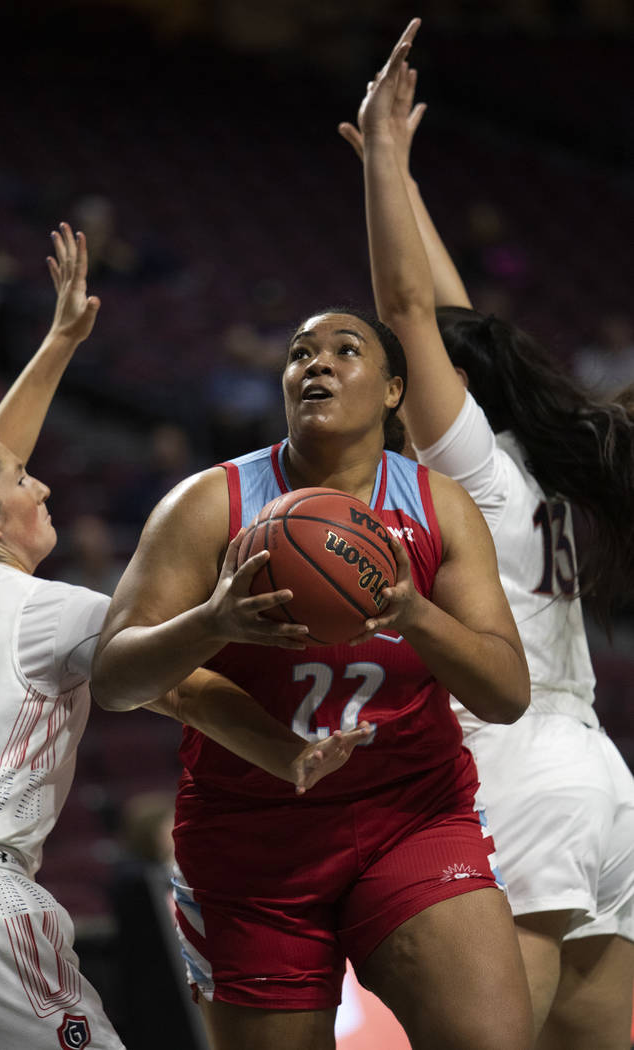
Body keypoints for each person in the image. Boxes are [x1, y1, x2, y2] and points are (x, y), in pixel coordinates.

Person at [90, 23, 534, 1050]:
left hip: (410, 815)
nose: (314, 363)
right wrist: (214, 618)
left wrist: (410, 612)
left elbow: (504, 694)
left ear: (390, 389)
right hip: (250, 844)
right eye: (298, 354)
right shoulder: (210, 503)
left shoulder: (434, 503)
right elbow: (115, 675)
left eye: (343, 349)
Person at [0, 224, 369, 1050]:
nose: (40, 482)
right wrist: (282, 748)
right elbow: (177, 684)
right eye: (21, 483)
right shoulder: (42, 610)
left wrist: (58, 343)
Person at [340, 19, 634, 1047]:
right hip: (592, 769)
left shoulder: (466, 470)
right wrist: (407, 182)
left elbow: (412, 308)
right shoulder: (530, 464)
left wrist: (380, 160)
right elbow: (461, 320)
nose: (388, 394)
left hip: (512, 762)